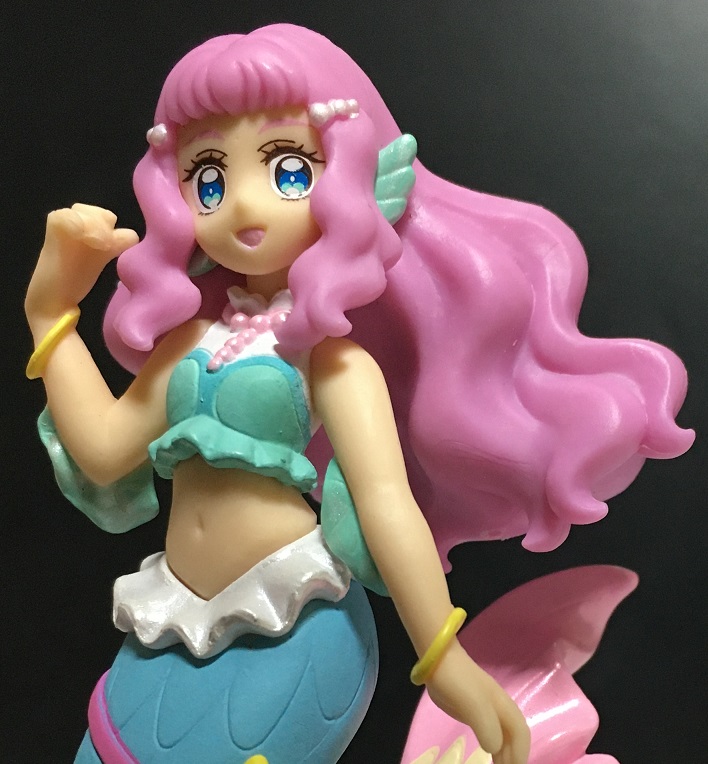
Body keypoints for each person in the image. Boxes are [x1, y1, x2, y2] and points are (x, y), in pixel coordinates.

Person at [24, 25, 692, 764]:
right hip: (168, 627)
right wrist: (51, 315)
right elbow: (105, 448)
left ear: (348, 175)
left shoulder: (331, 360)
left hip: (294, 625)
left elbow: (384, 503)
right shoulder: (189, 341)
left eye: (287, 170)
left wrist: (444, 657)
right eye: (209, 179)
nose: (241, 205)